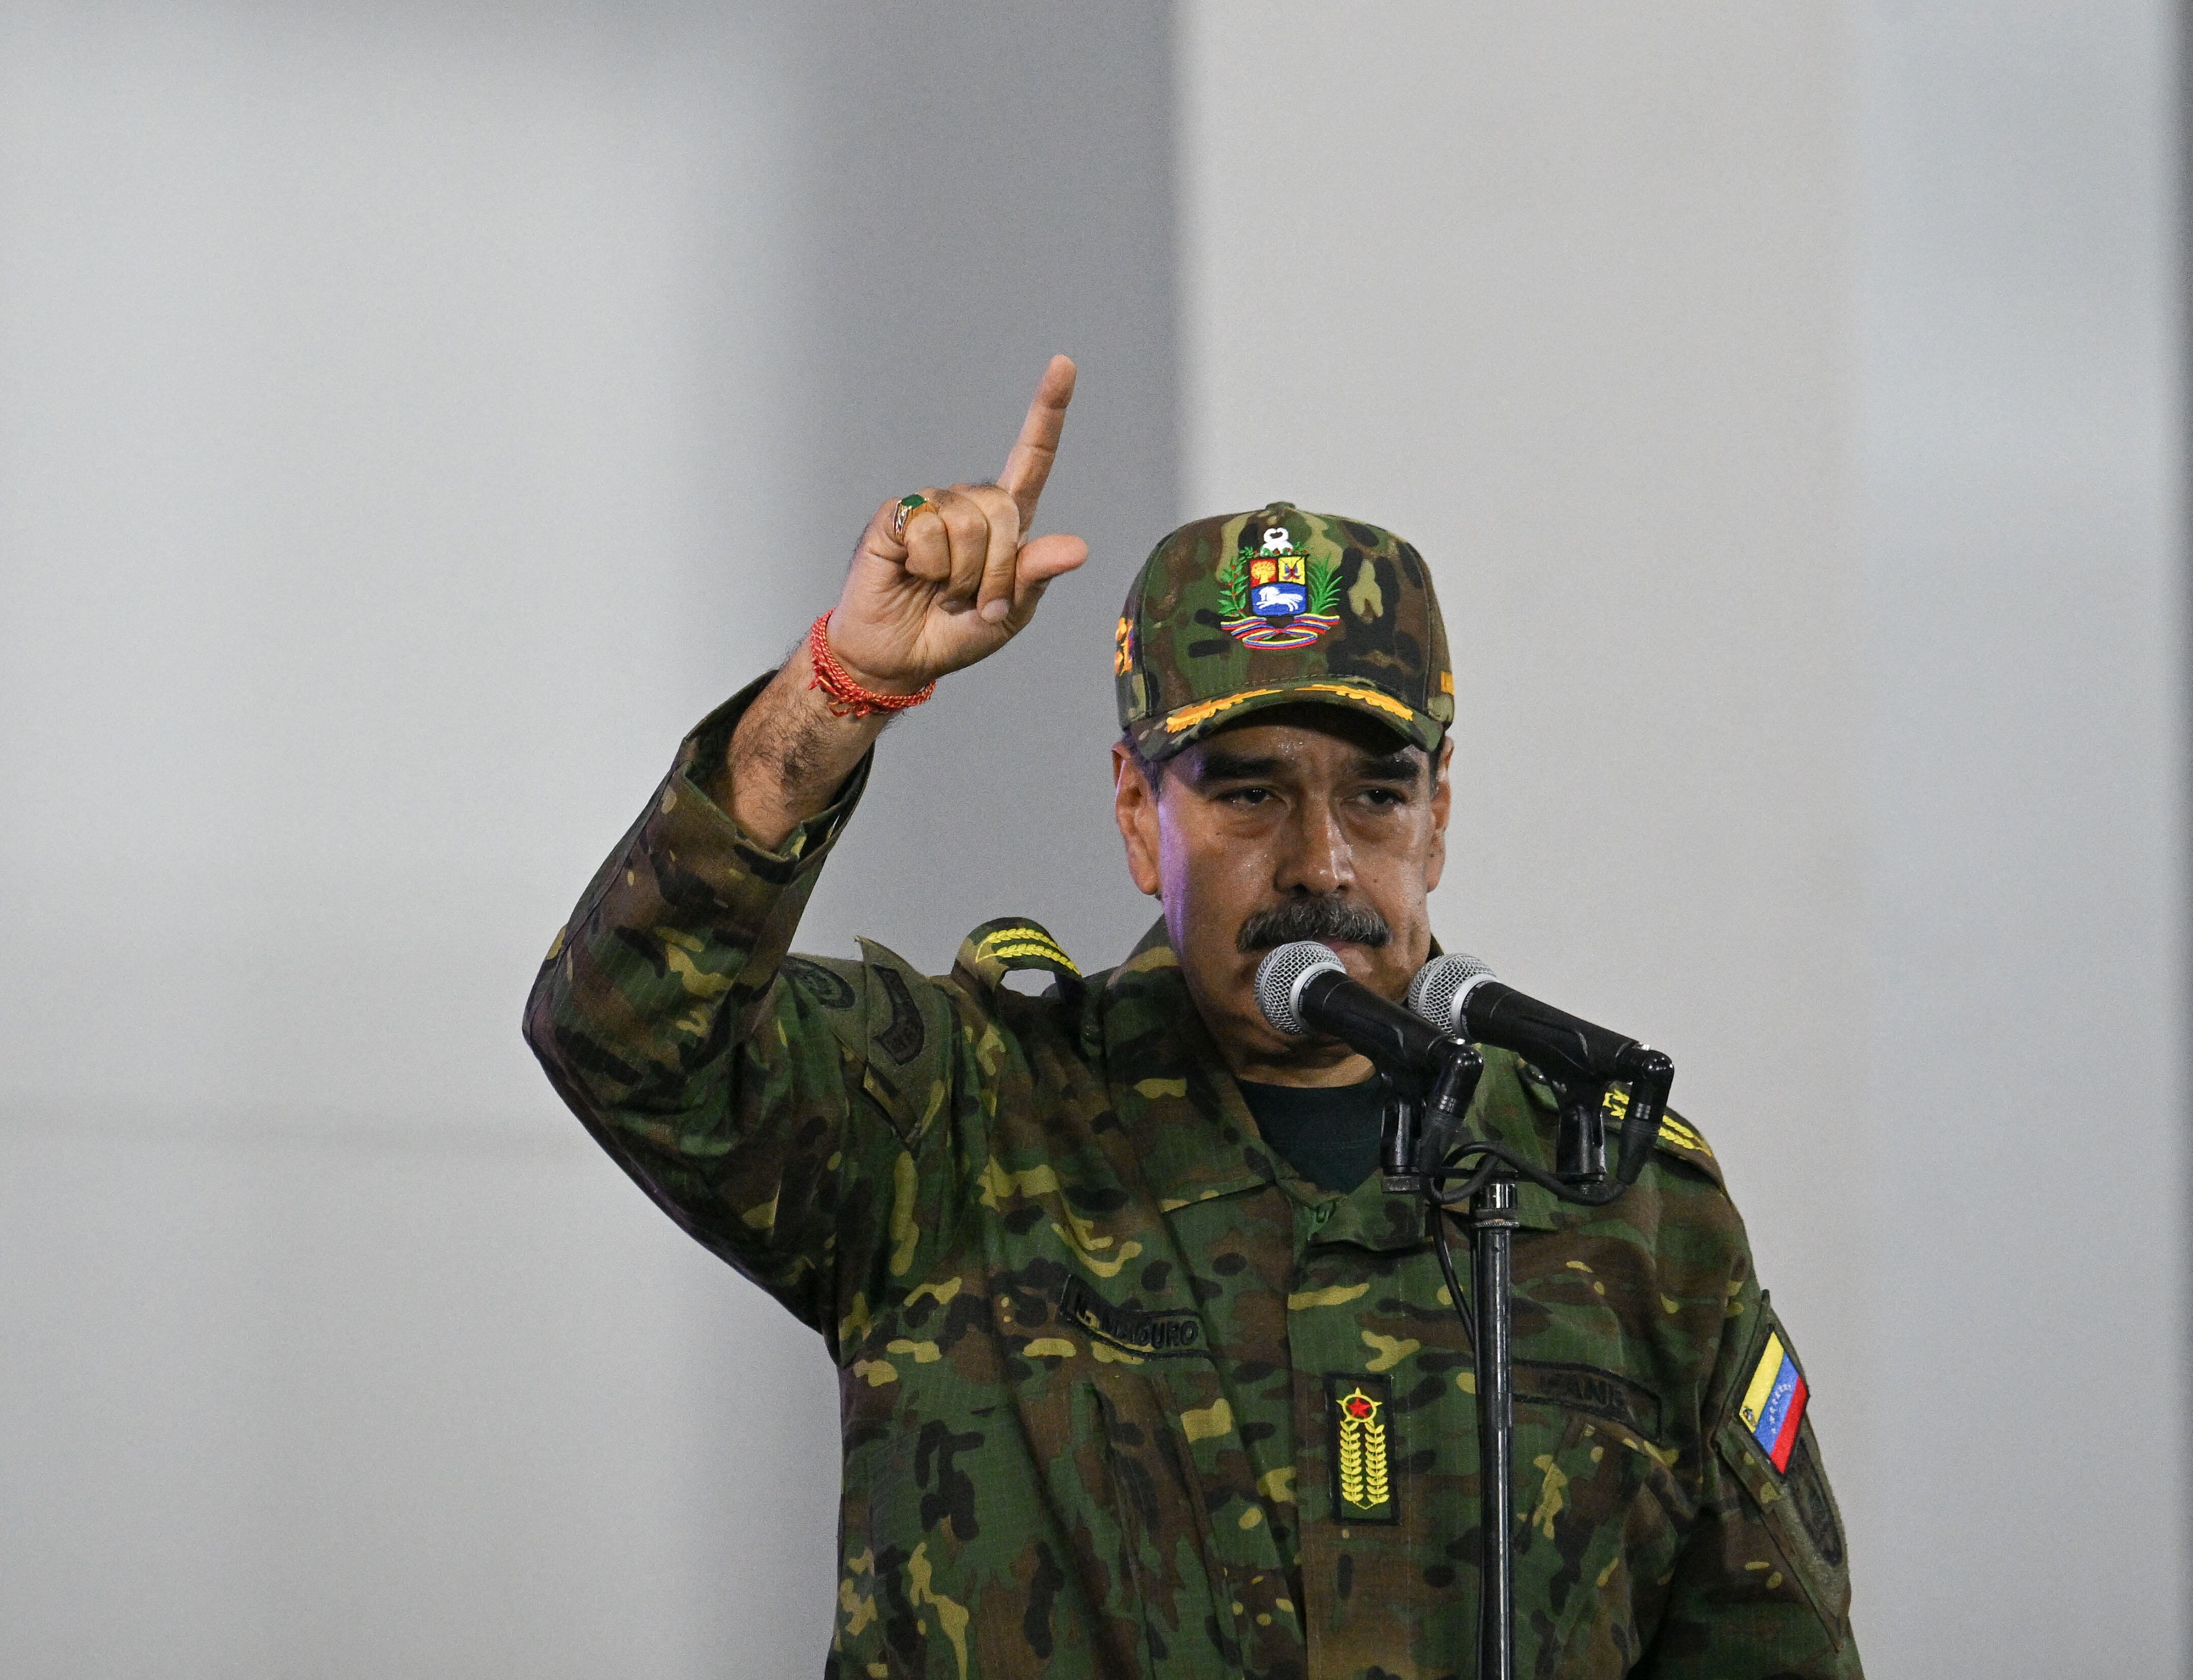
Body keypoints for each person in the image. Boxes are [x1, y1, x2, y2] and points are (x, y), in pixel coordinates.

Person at [524, 357, 1859, 1678]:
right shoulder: (957, 1120)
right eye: (1248, 794)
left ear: (1440, 813)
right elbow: (621, 1030)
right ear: (1133, 809)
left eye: (1377, 795)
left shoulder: (1617, 1197)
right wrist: (838, 692)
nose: (1322, 862)